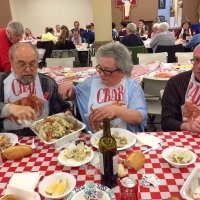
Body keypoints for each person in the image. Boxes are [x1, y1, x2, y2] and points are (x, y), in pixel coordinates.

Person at [61, 42, 147, 132]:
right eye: (100, 68)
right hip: (93, 139)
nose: (101, 74)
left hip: (125, 140)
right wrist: (69, 87)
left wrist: (118, 110)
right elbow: (76, 93)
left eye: (107, 70)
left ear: (122, 71)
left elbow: (140, 117)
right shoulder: (92, 82)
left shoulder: (131, 86)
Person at [0, 42, 71, 135]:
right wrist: (7, 109)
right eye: (21, 64)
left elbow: (61, 108)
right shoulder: (1, 81)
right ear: (11, 62)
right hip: (7, 143)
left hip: (43, 140)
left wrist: (67, 113)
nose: (28, 69)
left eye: (33, 63)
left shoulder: (48, 83)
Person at [161, 44, 200, 132]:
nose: (199, 66)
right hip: (185, 138)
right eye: (196, 60)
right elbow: (166, 122)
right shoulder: (175, 83)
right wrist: (188, 126)